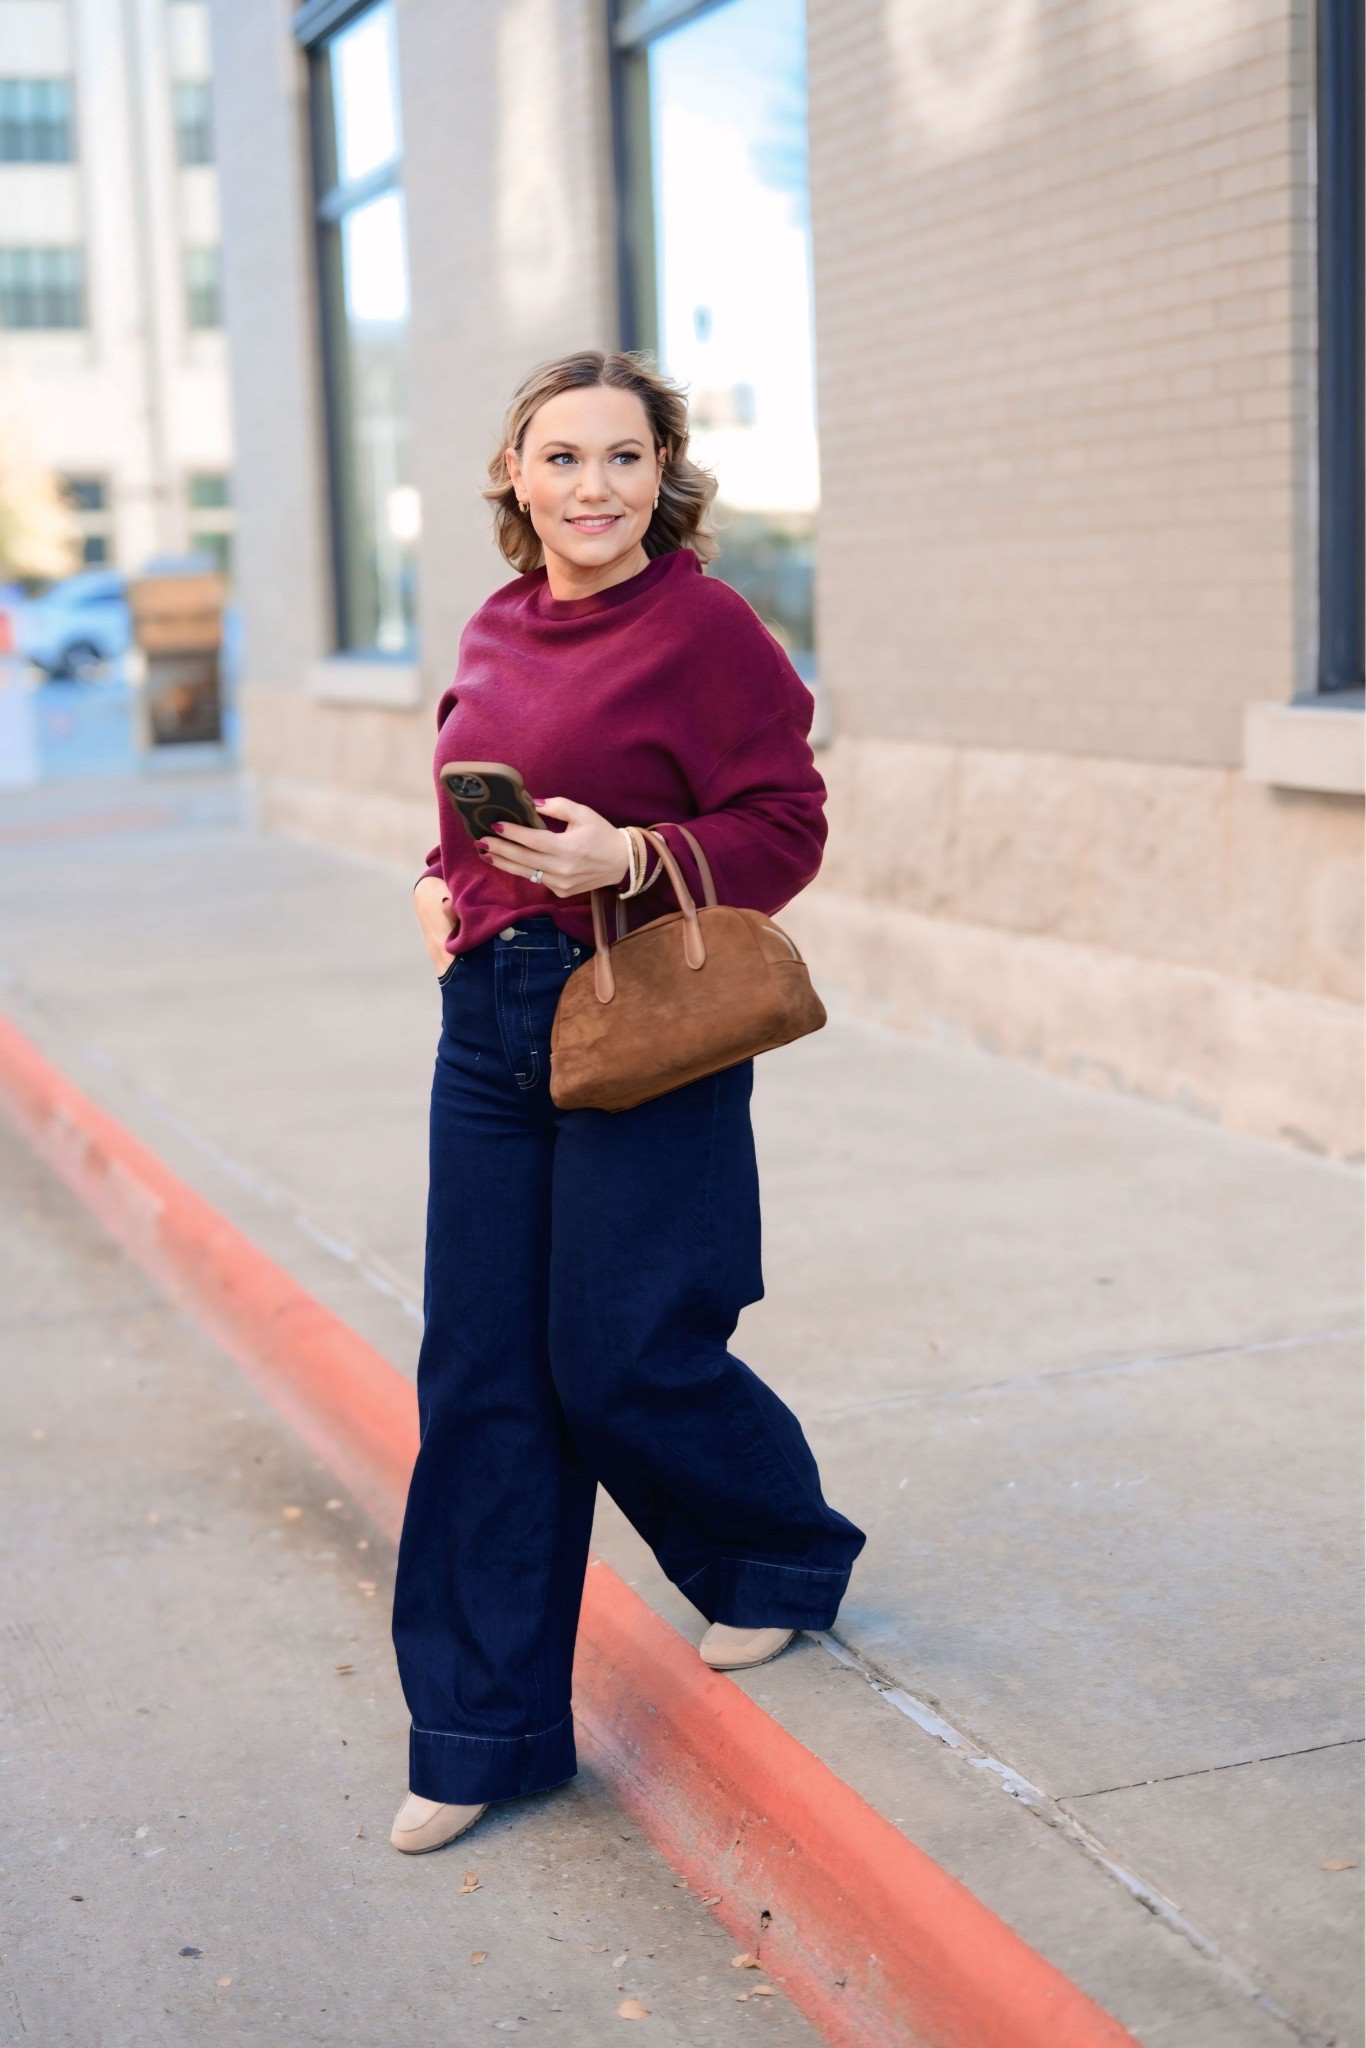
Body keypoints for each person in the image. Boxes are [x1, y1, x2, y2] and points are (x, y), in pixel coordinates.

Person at [390, 349, 865, 1856]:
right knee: (480, 1376)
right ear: (514, 477)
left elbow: (786, 823)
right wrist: (438, 882)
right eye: (562, 457)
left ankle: (775, 1554)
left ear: (663, 475)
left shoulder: (706, 628)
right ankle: (481, 1735)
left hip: (641, 1012)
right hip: (488, 1019)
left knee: (620, 1354)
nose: (592, 486)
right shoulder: (495, 622)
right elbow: (470, 802)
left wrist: (636, 857)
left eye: (622, 457)